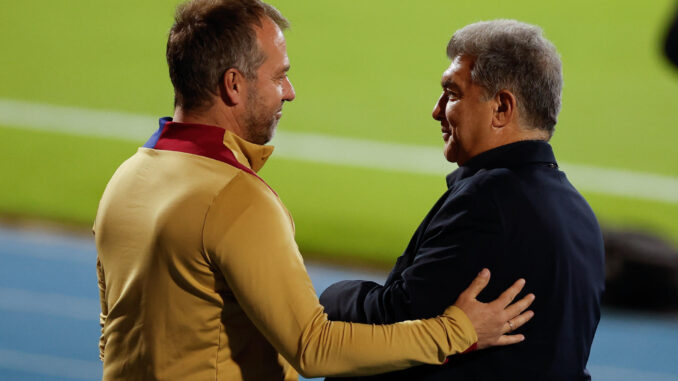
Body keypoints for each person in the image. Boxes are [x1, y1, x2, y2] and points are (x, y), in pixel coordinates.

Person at [93, 3, 536, 381]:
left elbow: (113, 332)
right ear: (233, 85)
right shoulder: (235, 198)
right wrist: (457, 331)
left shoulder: (125, 180)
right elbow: (314, 346)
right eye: (279, 76)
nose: (290, 92)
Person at [320, 20, 605, 380]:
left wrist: (332, 296)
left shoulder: (488, 200)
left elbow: (392, 321)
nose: (437, 111)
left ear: (502, 108)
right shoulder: (579, 211)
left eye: (453, 94)